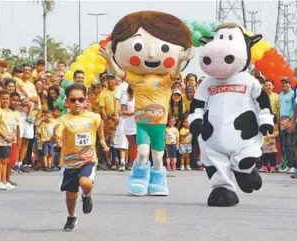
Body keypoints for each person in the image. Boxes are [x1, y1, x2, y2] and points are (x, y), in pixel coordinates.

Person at [100, 11, 194, 196]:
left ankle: (158, 181)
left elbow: (175, 72)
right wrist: (109, 59)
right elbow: (119, 73)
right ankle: (138, 177)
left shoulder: (167, 78)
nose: (151, 54)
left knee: (158, 158)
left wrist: (181, 59)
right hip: (142, 124)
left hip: (159, 125)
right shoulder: (136, 78)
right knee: (142, 153)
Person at [51, 83, 109, 231]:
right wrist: (55, 138)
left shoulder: (94, 118)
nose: (77, 103)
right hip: (69, 162)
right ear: (67, 102)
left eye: (80, 99)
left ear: (86, 101)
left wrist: (103, 143)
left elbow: (100, 132)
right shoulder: (63, 119)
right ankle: (72, 216)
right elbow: (56, 135)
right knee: (71, 195)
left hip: (87, 159)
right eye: (73, 100)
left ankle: (87, 195)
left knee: (85, 183)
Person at [0, 90, 18, 190]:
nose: (5, 101)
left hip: (9, 140)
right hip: (2, 140)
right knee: (1, 161)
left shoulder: (10, 112)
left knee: (6, 161)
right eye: (3, 98)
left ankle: (4, 180)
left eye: (7, 99)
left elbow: (13, 126)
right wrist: (6, 136)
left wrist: (12, 136)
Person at [278, 77, 297, 173]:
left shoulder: (293, 94)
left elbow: (295, 108)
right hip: (282, 121)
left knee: (291, 144)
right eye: (283, 83)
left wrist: (292, 120)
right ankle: (288, 164)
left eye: (286, 83)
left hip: (290, 120)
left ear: (290, 84)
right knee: (284, 144)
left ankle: (294, 165)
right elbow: (279, 110)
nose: (284, 85)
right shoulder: (280, 95)